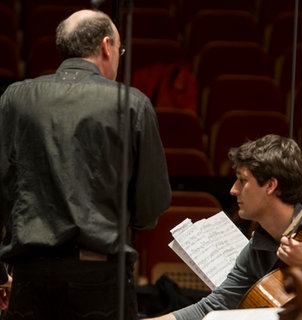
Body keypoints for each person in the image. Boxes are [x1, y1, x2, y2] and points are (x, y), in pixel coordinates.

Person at [0, 9, 171, 319]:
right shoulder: (133, 104)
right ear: (106, 46)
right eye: (119, 50)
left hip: (30, 275)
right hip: (100, 277)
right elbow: (150, 207)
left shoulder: (14, 98)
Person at [147, 134, 302, 320]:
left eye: (242, 181)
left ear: (270, 185)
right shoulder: (258, 245)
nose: (233, 190)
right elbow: (214, 306)